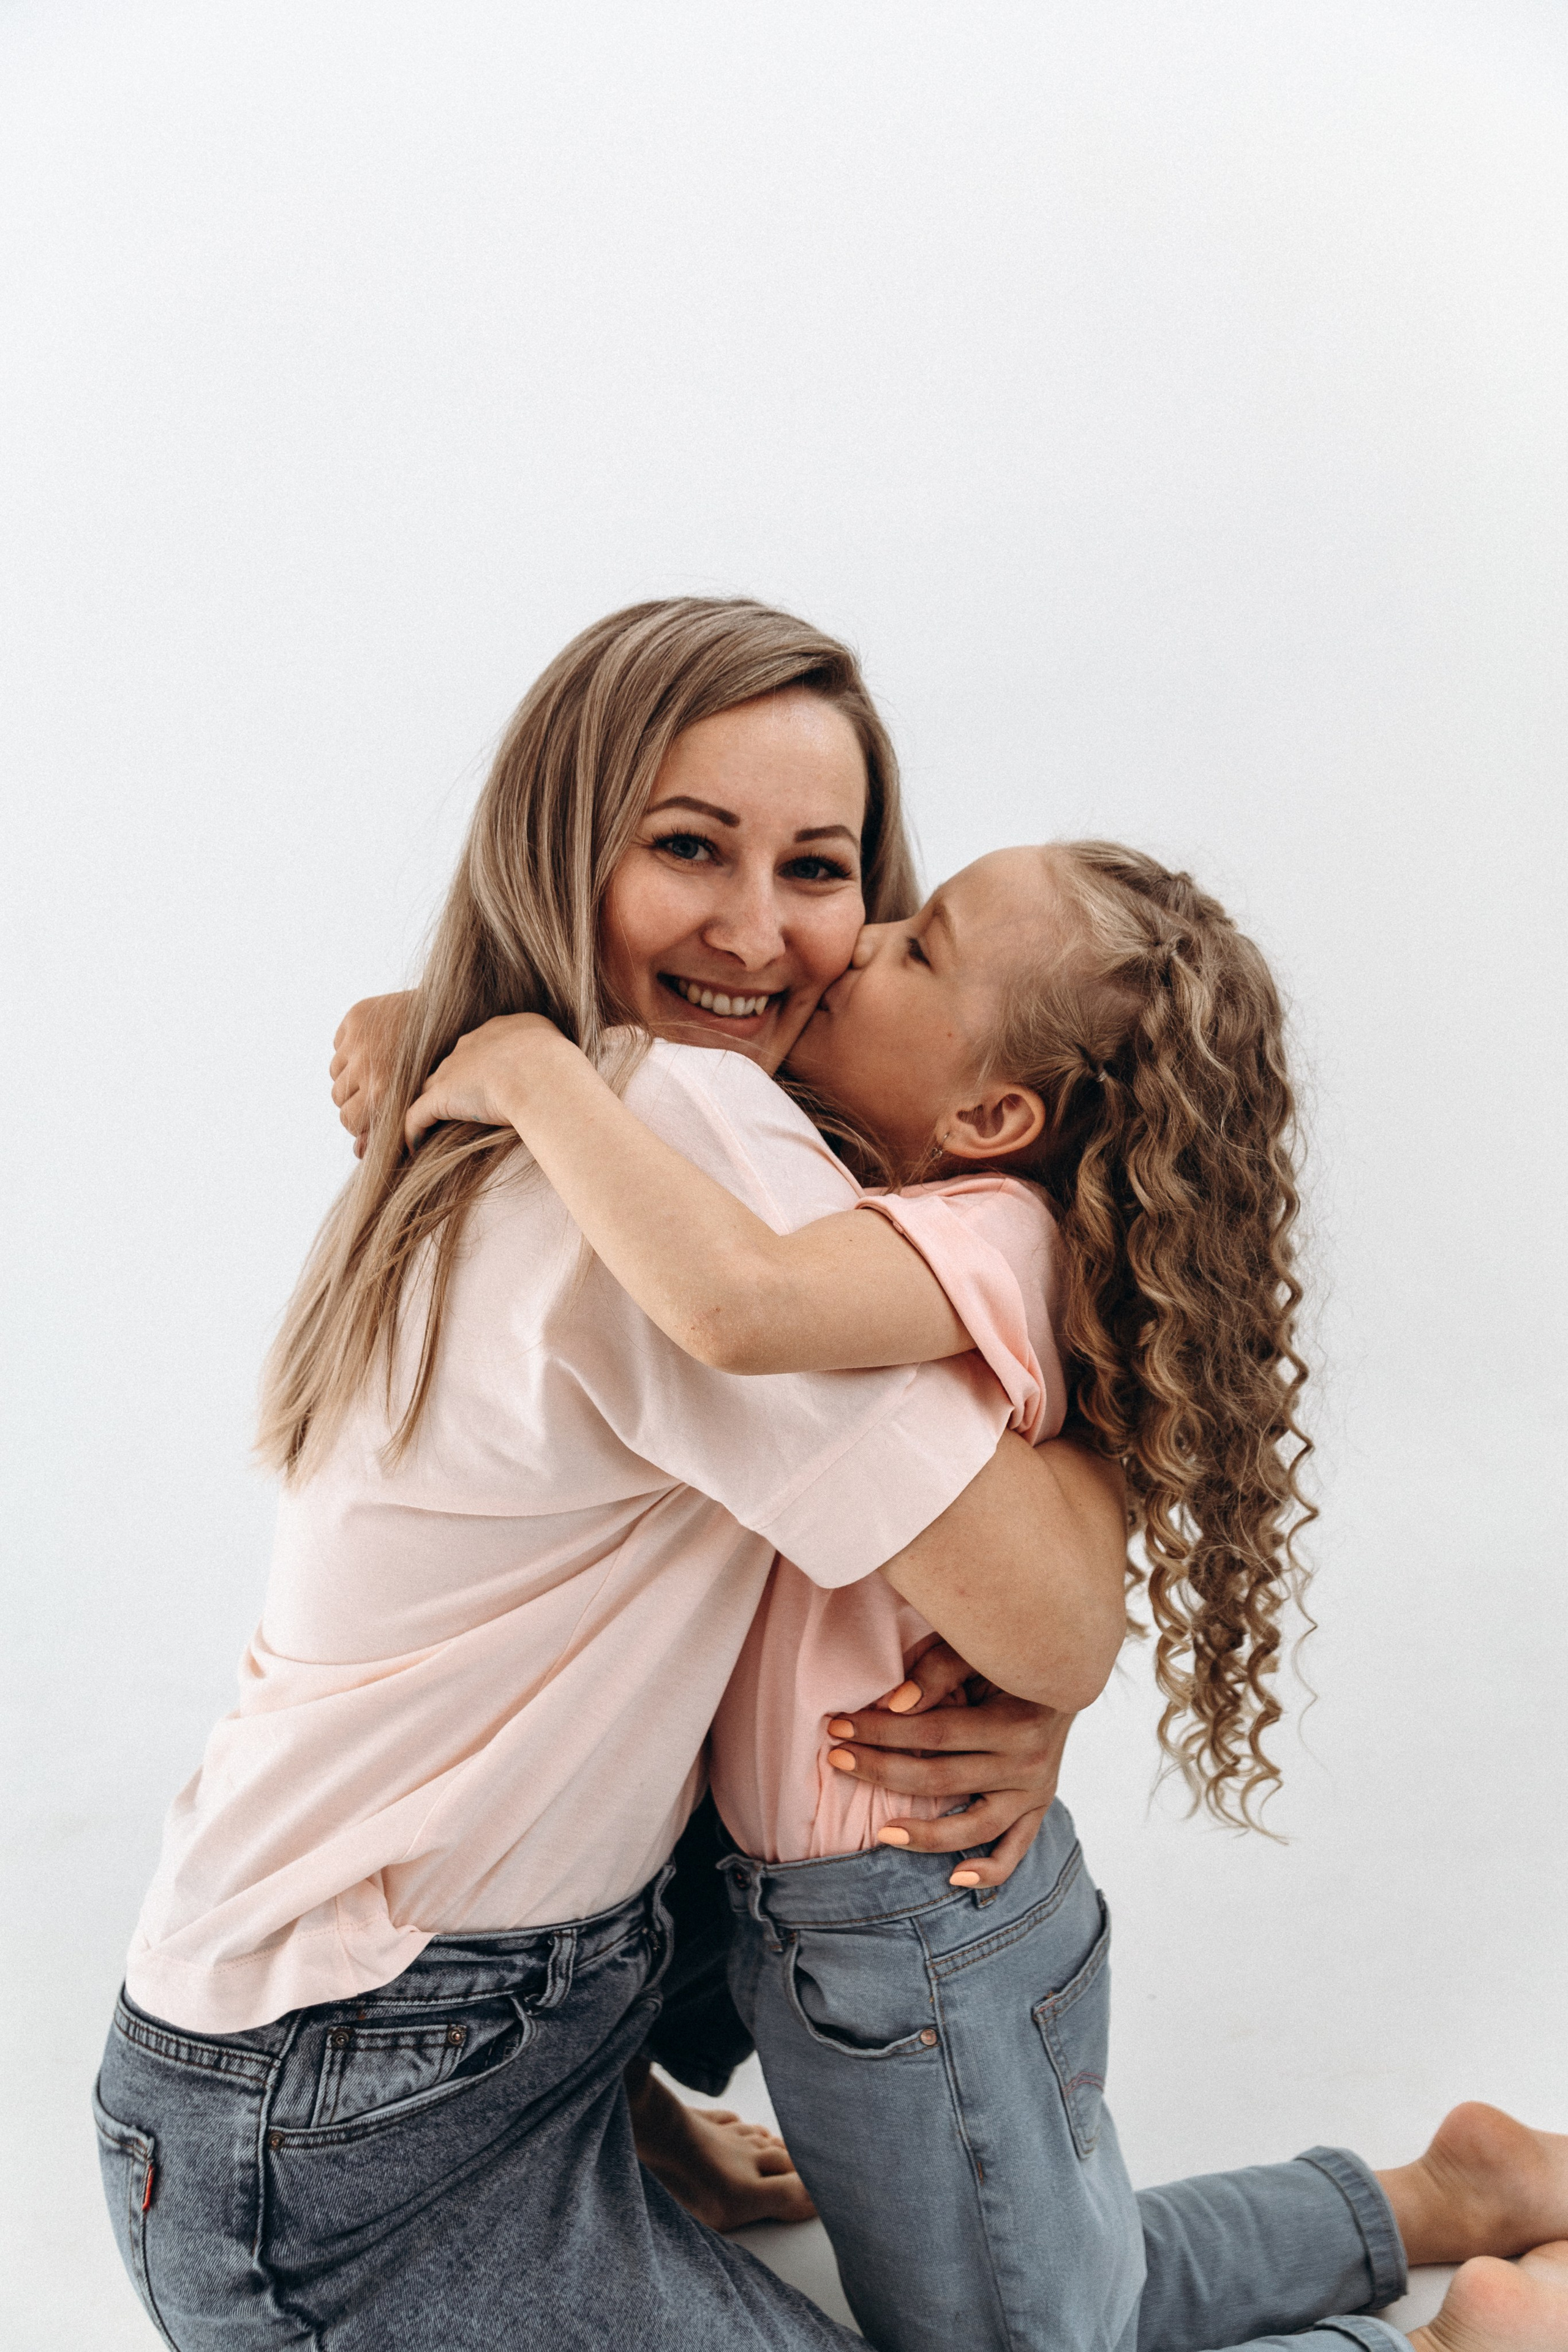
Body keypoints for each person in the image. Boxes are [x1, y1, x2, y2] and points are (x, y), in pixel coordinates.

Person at [92, 597, 1127, 2351]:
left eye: (820, 869)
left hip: (351, 2046)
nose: (761, 931)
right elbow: (1055, 1615)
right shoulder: (682, 1148)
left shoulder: (580, 1101)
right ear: (564, 849)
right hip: (355, 2143)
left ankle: (1414, 2211)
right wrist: (1044, 1690)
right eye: (685, 848)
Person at [385, 828, 1568, 2352]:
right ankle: (1420, 2203)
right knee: (1051, 2288)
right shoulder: (937, 1218)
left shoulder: (979, 1236)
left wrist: (531, 1071)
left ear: (994, 1112)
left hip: (904, 1930)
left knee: (1021, 2330)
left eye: (920, 946)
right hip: (882, 1923)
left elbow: (736, 1302)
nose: (861, 938)